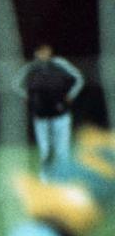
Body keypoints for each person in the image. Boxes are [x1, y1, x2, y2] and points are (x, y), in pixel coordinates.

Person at [13, 44, 84, 179]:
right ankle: (45, 176)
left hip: (60, 114)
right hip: (41, 115)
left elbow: (79, 79)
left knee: (62, 148)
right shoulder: (32, 67)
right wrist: (27, 96)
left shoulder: (59, 64)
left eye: (45, 51)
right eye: (39, 52)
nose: (42, 54)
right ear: (36, 53)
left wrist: (71, 95)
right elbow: (16, 83)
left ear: (50, 51)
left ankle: (64, 177)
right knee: (45, 149)